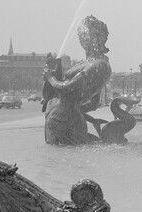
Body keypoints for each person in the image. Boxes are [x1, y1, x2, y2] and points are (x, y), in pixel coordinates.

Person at [42, 15, 112, 145]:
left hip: (62, 121)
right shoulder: (90, 63)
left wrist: (50, 78)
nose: (82, 40)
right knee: (65, 161)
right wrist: (52, 76)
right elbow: (93, 104)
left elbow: (67, 87)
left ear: (97, 38)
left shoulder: (98, 64)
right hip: (63, 119)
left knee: (63, 161)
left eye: (85, 36)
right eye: (81, 37)